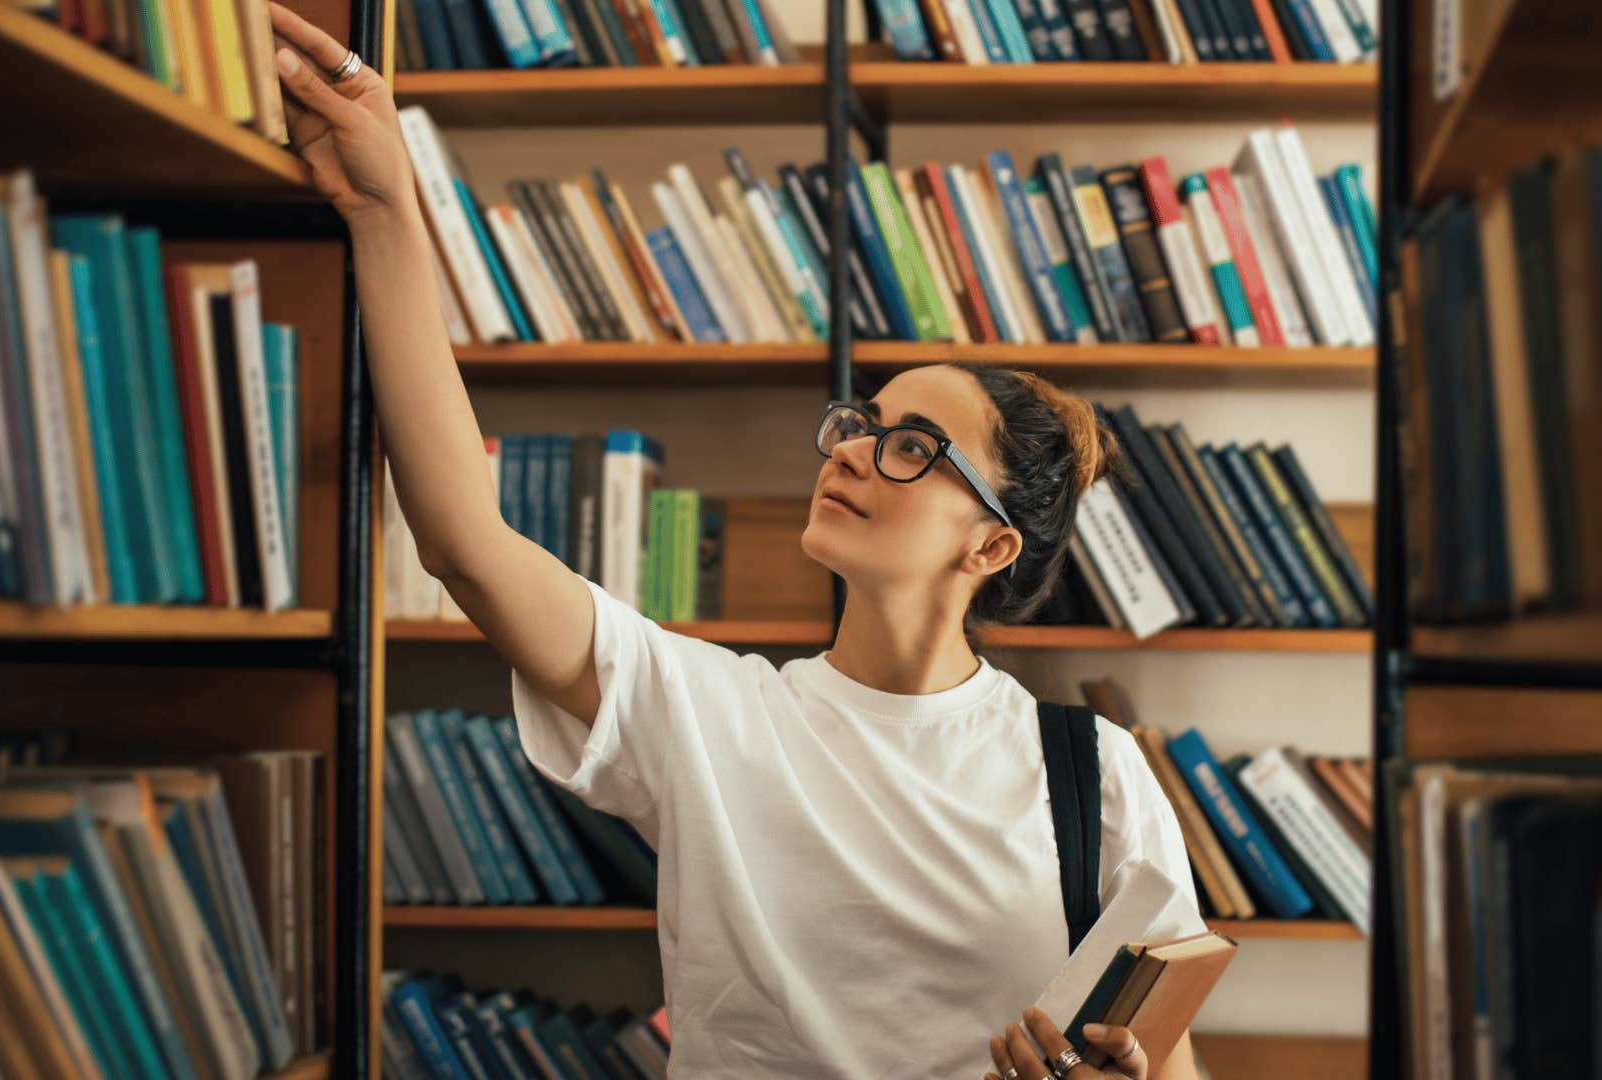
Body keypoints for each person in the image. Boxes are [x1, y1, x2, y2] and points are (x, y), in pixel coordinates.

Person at [264, 6, 1206, 1076]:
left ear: (991, 547)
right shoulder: (709, 716)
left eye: (911, 447)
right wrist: (386, 209)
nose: (849, 452)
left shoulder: (1093, 773)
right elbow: (464, 541)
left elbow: (1165, 1054)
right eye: (859, 424)